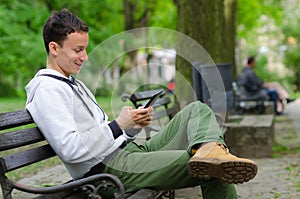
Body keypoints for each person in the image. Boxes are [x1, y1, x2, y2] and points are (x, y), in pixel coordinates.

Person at [25, 9, 258, 198]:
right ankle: (213, 154)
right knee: (212, 167)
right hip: (107, 173)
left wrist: (132, 126)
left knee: (198, 110)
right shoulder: (47, 90)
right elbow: (70, 148)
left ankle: (211, 149)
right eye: (78, 50)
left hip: (128, 153)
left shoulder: (72, 83)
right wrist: (118, 125)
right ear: (54, 48)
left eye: (85, 49)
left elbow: (102, 134)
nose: (85, 56)